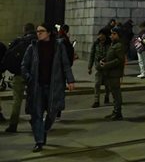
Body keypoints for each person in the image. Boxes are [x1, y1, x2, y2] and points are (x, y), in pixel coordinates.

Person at [21, 23, 75, 153]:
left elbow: (65, 64)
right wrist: (28, 77)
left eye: (41, 31)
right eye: (37, 31)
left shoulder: (58, 46)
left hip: (53, 86)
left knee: (52, 113)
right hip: (37, 86)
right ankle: (39, 141)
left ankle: (43, 130)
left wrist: (70, 80)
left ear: (49, 32)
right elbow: (24, 65)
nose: (38, 33)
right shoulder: (32, 47)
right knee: (37, 114)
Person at [3, 23, 36, 133]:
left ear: (24, 30)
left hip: (19, 74)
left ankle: (13, 124)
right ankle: (35, 122)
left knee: (17, 100)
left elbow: (8, 57)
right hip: (34, 75)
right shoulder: (38, 42)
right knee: (34, 99)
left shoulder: (19, 41)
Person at [99, 26, 126, 120]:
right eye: (111, 34)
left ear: (119, 35)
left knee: (116, 94)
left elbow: (119, 60)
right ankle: (115, 112)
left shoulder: (119, 46)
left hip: (115, 73)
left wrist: (107, 64)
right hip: (110, 73)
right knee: (114, 94)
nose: (111, 36)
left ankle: (117, 113)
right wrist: (104, 59)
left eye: (114, 34)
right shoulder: (113, 44)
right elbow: (111, 56)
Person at [88, 28, 111, 108]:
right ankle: (96, 101)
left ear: (105, 36)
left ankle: (107, 96)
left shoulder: (109, 43)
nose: (100, 36)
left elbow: (111, 55)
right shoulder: (96, 43)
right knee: (97, 84)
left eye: (101, 35)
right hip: (98, 67)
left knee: (107, 85)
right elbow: (92, 55)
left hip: (107, 67)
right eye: (99, 35)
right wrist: (89, 67)